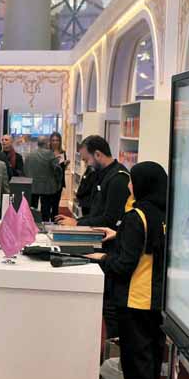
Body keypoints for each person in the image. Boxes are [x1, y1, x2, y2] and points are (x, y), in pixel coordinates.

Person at [86, 162, 167, 379]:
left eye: (132, 181)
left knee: (135, 362)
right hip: (156, 299)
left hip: (134, 298)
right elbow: (149, 245)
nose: (129, 186)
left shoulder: (136, 216)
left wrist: (103, 258)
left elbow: (124, 264)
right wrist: (119, 236)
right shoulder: (162, 213)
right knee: (151, 358)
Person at [57, 135, 131, 337]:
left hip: (111, 248)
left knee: (109, 304)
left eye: (87, 159)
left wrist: (78, 223)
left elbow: (108, 218)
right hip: (100, 242)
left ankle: (111, 345)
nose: (86, 164)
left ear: (98, 154)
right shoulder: (103, 174)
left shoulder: (117, 178)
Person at [23, 135, 60, 214]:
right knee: (46, 211)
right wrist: (58, 183)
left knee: (32, 211)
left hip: (32, 186)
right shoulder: (50, 154)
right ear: (47, 143)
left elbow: (25, 170)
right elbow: (57, 170)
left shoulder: (29, 155)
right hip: (47, 187)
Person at [44, 131, 69, 221]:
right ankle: (46, 223)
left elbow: (62, 170)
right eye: (53, 140)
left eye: (57, 140)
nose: (55, 142)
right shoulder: (47, 153)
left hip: (59, 183)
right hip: (48, 183)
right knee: (46, 205)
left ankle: (55, 223)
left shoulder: (63, 152)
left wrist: (65, 164)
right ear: (50, 141)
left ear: (60, 141)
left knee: (55, 205)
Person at [74, 140, 99, 216]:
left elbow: (87, 187)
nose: (82, 160)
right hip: (86, 203)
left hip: (89, 205)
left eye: (85, 158)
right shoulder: (90, 168)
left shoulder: (93, 171)